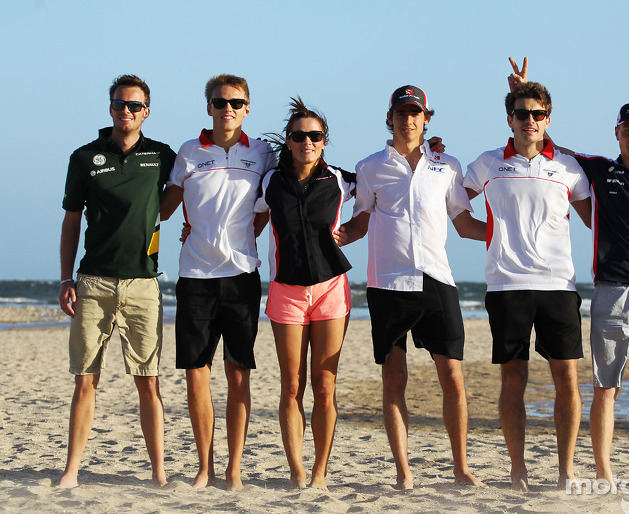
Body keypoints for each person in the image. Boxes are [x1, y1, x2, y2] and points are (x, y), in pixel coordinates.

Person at [508, 57, 629, 488]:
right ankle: (603, 471)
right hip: (610, 292)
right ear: (617, 132)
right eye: (627, 129)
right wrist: (526, 91)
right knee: (605, 388)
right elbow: (546, 143)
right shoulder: (597, 169)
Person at [336, 85, 485, 490]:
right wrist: (329, 237)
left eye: (415, 113)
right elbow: (359, 221)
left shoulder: (447, 166)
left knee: (452, 377)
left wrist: (507, 236)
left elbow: (464, 223)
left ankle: (461, 468)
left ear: (426, 118)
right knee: (394, 378)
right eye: (401, 113)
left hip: (437, 279)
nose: (408, 120)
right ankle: (404, 473)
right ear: (391, 118)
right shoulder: (370, 167)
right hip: (387, 283)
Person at [462, 80, 592, 491]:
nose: (530, 120)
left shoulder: (568, 168)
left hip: (559, 285)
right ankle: (517, 468)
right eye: (522, 114)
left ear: (548, 120)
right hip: (506, 287)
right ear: (509, 119)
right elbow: (454, 210)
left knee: (566, 380)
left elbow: (597, 221)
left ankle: (566, 470)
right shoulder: (487, 163)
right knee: (512, 379)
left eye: (538, 114)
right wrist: (497, 236)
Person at [57, 74, 175, 488]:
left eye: (135, 106)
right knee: (86, 379)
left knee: (149, 381)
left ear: (147, 111)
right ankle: (71, 470)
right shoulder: (85, 157)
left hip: (144, 284)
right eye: (119, 104)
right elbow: (71, 220)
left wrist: (174, 222)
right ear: (110, 108)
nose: (126, 111)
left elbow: (183, 193)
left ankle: (159, 473)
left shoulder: (161, 156)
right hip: (93, 283)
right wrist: (64, 278)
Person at [160, 74, 276, 490]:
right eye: (219, 102)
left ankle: (234, 469)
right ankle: (205, 467)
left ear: (248, 108)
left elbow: (278, 196)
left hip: (242, 276)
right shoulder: (189, 152)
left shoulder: (263, 153)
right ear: (208, 106)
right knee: (196, 374)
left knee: (239, 373)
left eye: (236, 103)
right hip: (194, 276)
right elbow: (162, 209)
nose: (227, 109)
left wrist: (247, 234)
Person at [253, 98, 355, 490]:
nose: (306, 142)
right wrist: (191, 229)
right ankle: (297, 469)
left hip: (331, 289)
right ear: (289, 141)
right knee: (291, 385)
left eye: (314, 135)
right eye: (299, 136)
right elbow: (243, 213)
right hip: (286, 291)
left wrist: (353, 232)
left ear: (324, 141)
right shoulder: (269, 181)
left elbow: (385, 192)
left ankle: (319, 473)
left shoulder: (343, 180)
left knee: (325, 384)